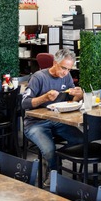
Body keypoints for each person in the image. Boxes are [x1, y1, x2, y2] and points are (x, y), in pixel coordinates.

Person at [21, 48, 84, 185]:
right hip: (35, 123)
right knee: (49, 150)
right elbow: (24, 103)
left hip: (57, 120)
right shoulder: (38, 77)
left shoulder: (66, 77)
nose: (65, 72)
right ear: (55, 62)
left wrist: (78, 96)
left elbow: (70, 100)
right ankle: (54, 172)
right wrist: (44, 98)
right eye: (63, 68)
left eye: (69, 69)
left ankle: (54, 161)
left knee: (81, 140)